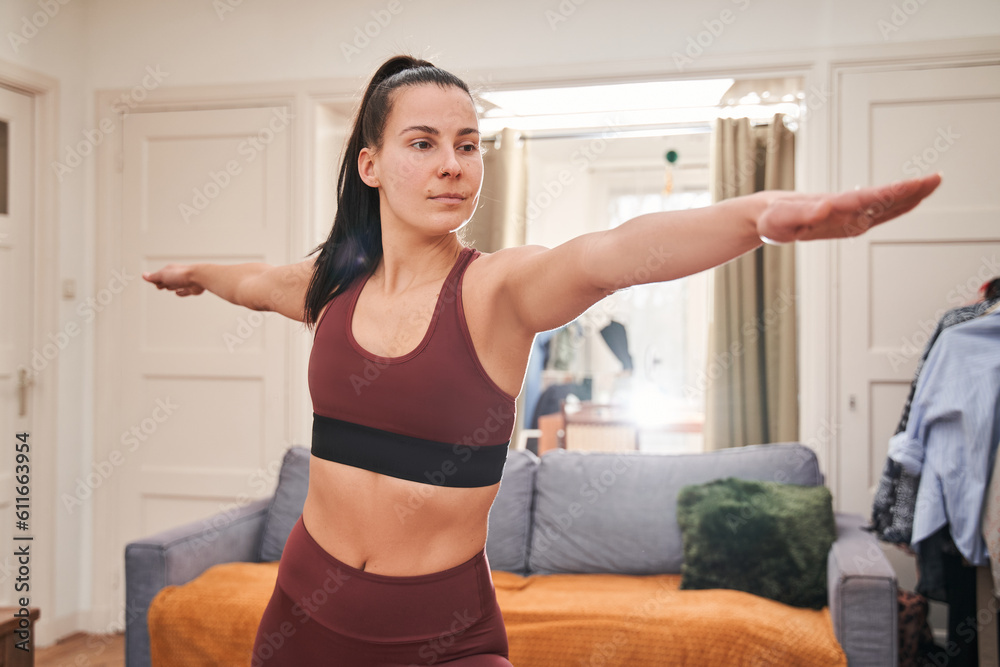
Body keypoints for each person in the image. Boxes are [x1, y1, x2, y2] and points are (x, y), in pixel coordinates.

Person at [141, 55, 942, 666]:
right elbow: (249, 282)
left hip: (442, 632)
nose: (454, 164)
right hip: (301, 612)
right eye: (423, 143)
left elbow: (615, 254)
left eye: (467, 144)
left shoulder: (497, 290)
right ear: (371, 164)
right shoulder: (331, 289)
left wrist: (762, 215)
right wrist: (193, 275)